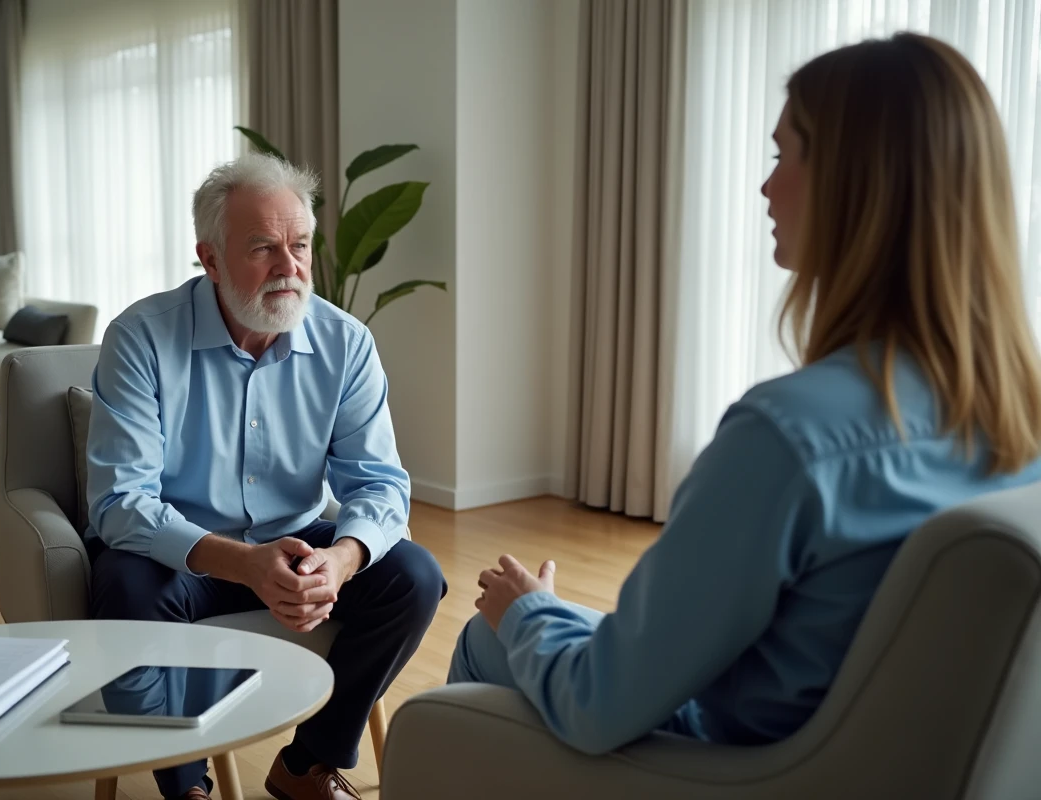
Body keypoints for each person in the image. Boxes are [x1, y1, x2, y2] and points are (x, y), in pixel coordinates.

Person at [448, 31, 1041, 755]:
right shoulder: (1019, 421)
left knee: (489, 636)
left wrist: (527, 615)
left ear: (857, 183)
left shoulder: (791, 438)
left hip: (740, 769)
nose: (765, 187)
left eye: (782, 155)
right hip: (883, 758)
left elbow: (597, 704)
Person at [84, 153, 446, 800]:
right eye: (262, 248)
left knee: (415, 579)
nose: (290, 267)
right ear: (211, 259)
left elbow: (381, 484)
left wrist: (339, 560)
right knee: (123, 588)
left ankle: (307, 765)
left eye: (300, 245)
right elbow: (120, 502)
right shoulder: (139, 338)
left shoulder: (346, 342)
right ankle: (187, 786)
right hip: (180, 553)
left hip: (297, 541)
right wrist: (243, 564)